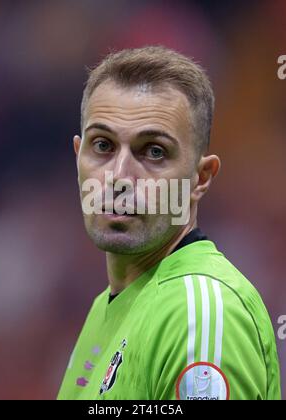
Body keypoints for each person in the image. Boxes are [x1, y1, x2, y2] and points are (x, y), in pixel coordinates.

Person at [58, 46, 281, 400]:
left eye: (154, 151)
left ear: (201, 177)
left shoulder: (199, 314)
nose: (119, 176)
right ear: (78, 155)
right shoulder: (106, 306)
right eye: (103, 145)